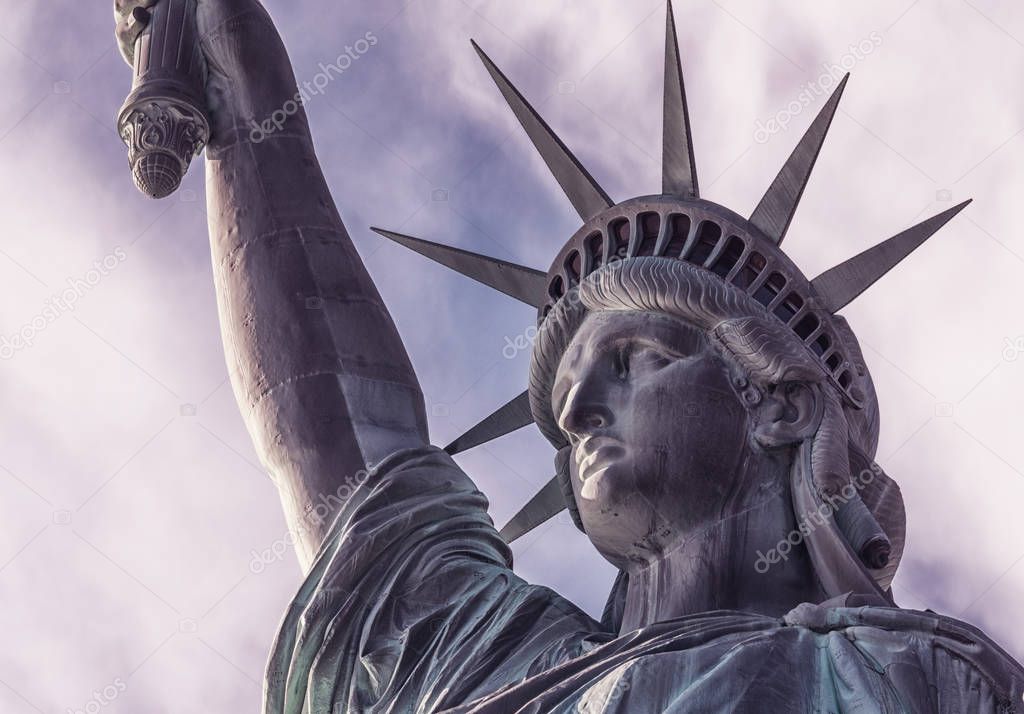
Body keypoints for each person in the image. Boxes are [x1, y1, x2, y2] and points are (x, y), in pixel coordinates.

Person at [115, 1, 1024, 711]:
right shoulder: (494, 664)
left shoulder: (916, 682)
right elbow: (348, 451)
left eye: (635, 359)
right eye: (567, 394)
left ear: (779, 404)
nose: (581, 405)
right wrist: (245, 101)